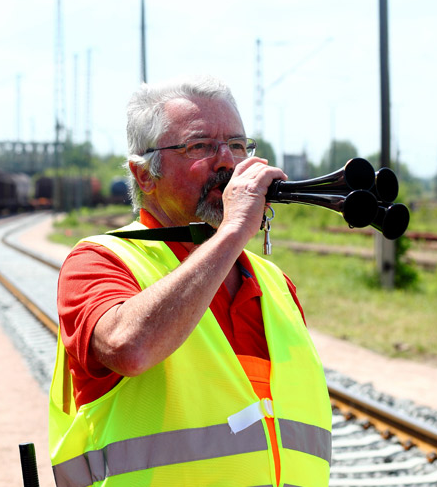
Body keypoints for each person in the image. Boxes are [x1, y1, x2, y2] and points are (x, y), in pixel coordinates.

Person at [48, 75, 332, 486]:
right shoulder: (99, 261)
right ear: (144, 175)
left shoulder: (275, 283)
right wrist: (234, 231)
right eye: (199, 146)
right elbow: (131, 349)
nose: (227, 162)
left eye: (237, 145)